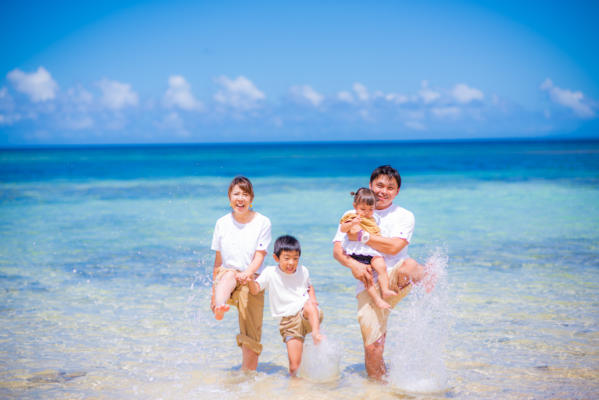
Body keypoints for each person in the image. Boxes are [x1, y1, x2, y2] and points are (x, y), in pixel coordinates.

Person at [333, 165, 427, 380]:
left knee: (409, 265)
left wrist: (363, 237)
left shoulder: (404, 216)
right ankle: (378, 389)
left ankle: (426, 274)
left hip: (395, 274)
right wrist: (354, 265)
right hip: (367, 282)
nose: (383, 191)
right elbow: (337, 251)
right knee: (373, 347)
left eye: (390, 188)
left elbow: (394, 248)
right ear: (370, 185)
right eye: (380, 186)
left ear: (397, 191)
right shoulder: (352, 213)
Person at [210, 176, 271, 371]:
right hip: (227, 275)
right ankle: (220, 307)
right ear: (229, 198)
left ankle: (247, 379)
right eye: (236, 194)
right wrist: (214, 292)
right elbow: (218, 261)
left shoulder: (263, 222)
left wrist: (248, 273)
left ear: (251, 198)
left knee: (250, 337)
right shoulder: (221, 223)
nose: (240, 198)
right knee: (228, 275)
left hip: (251, 278)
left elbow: (260, 256)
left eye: (245, 194)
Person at [248, 235, 324, 377]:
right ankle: (296, 387)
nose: (291, 262)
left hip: (306, 313)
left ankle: (316, 333)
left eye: (295, 258)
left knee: (309, 305)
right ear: (276, 258)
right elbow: (255, 289)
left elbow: (309, 287)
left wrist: (313, 299)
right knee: (294, 367)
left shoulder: (303, 270)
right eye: (287, 258)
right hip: (288, 322)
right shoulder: (270, 272)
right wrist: (250, 280)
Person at [339, 188, 397, 309]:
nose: (367, 212)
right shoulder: (352, 216)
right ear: (355, 206)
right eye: (363, 209)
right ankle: (377, 300)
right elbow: (343, 229)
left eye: (371, 209)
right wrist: (352, 223)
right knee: (367, 277)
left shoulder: (373, 218)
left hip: (371, 250)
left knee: (382, 267)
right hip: (358, 252)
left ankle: (385, 290)